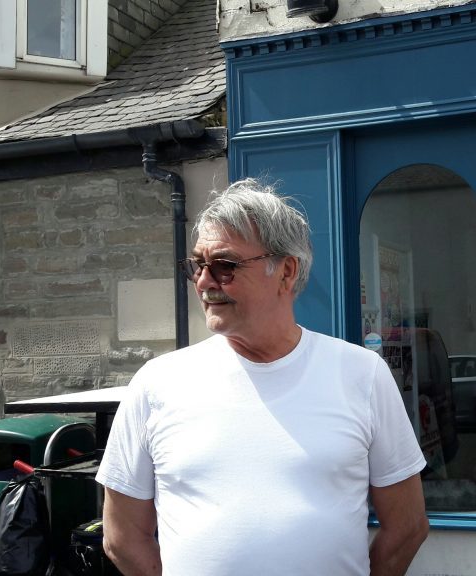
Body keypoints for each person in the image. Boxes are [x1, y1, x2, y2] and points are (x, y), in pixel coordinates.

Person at [95, 178, 429, 576]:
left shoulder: (361, 374)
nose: (204, 282)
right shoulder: (157, 383)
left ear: (286, 272)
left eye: (224, 266)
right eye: (198, 265)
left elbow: (407, 528)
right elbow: (122, 536)